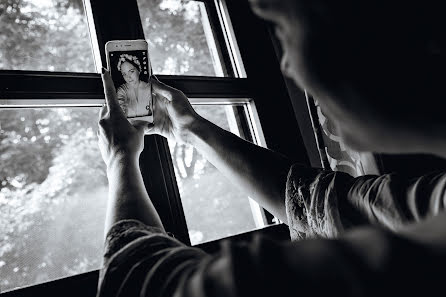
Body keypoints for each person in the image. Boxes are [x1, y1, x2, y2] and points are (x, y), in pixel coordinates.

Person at [96, 0, 446, 296]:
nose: (286, 64)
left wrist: (121, 158)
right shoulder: (435, 199)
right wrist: (190, 129)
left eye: (283, 27)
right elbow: (318, 201)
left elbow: (139, 282)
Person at [116, 54, 152, 118]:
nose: (128, 77)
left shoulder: (149, 88)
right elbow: (120, 106)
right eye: (124, 74)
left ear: (139, 70)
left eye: (131, 71)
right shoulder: (122, 90)